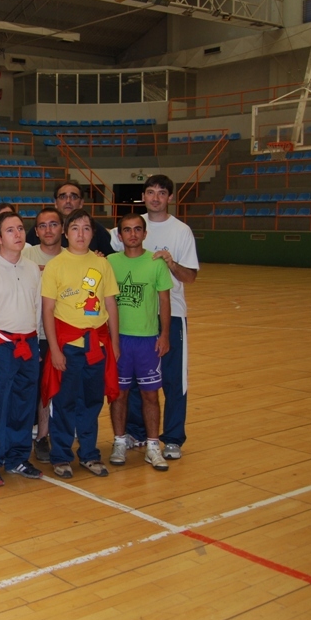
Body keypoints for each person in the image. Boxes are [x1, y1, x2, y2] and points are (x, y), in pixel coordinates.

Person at [110, 175, 199, 460]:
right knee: (134, 379)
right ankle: (136, 431)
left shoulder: (181, 231)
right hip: (133, 318)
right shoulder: (126, 227)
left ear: (170, 197)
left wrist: (171, 263)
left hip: (171, 316)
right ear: (144, 196)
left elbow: (191, 277)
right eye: (151, 192)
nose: (156, 197)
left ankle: (172, 437)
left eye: (162, 192)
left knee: (173, 380)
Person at [40, 209, 120, 479]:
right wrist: (54, 349)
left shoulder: (102, 264)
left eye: (86, 228)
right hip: (68, 346)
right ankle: (61, 455)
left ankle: (88, 453)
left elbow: (110, 304)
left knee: (92, 401)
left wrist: (115, 345)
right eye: (75, 228)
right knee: (64, 402)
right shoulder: (56, 266)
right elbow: (47, 311)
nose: (81, 234)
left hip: (97, 346)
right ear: (66, 233)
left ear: (92, 233)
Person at [0, 212, 43, 486]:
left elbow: (37, 310)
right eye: (10, 230)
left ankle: (17, 457)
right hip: (0, 347)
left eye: (20, 229)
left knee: (24, 406)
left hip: (28, 345)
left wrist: (36, 345)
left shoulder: (31, 268)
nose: (18, 234)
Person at [107, 213, 172, 471]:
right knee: (118, 394)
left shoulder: (156, 263)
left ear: (145, 234)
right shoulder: (109, 262)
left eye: (137, 229)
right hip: (118, 340)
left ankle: (153, 446)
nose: (132, 234)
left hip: (147, 341)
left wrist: (164, 334)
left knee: (150, 395)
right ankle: (119, 442)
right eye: (126, 230)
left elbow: (165, 301)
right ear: (119, 235)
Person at [22, 206, 64, 464]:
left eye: (53, 224)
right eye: (43, 226)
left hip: (63, 335)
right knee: (32, 390)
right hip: (31, 334)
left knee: (54, 391)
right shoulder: (24, 254)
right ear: (36, 231)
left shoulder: (74, 257)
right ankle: (24, 436)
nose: (48, 230)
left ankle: (45, 437)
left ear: (62, 229)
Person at [26, 181, 113, 256]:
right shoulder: (41, 229)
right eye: (63, 197)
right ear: (56, 203)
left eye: (74, 197)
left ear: (81, 203)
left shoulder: (95, 229)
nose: (68, 201)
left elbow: (110, 258)